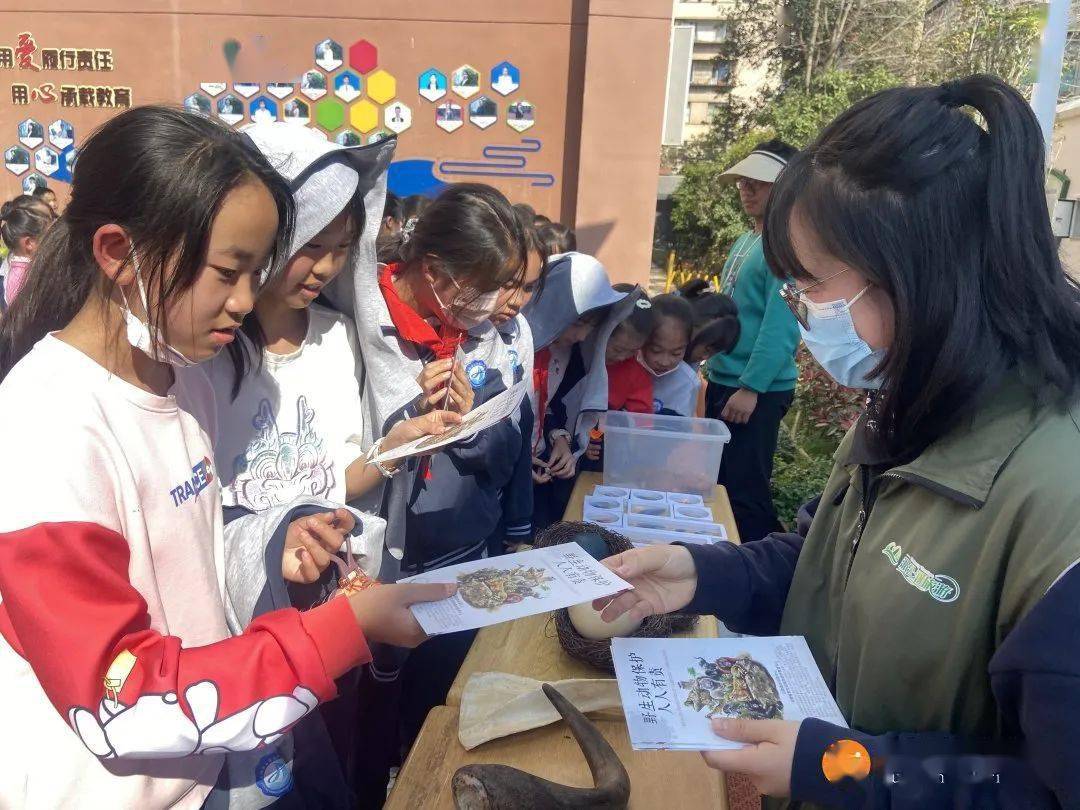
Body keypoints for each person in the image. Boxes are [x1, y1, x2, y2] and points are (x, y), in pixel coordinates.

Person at [595, 75, 1080, 808]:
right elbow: (834, 563)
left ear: (920, 277)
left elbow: (1051, 788)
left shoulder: (1057, 500)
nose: (801, 314)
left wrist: (846, 767)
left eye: (814, 286)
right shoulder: (909, 408)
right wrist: (703, 574)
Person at [0, 106, 455, 809]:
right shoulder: (45, 428)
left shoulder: (181, 378)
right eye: (228, 272)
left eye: (257, 273)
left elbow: (191, 554)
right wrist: (338, 632)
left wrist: (275, 538)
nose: (244, 303)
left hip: (218, 759)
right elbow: (115, 694)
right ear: (118, 252)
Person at [324, 181, 535, 804]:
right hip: (373, 567)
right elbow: (348, 459)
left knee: (433, 716)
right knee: (362, 725)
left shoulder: (483, 340)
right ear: (438, 273)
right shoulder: (358, 324)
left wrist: (469, 429)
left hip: (457, 560)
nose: (500, 304)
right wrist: (409, 424)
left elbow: (504, 454)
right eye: (489, 285)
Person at [705, 139, 800, 541]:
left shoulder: (786, 245)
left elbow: (783, 325)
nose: (746, 189)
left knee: (745, 492)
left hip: (753, 391)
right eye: (743, 181)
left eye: (758, 182)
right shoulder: (746, 240)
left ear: (784, 187)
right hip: (726, 380)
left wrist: (751, 387)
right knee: (719, 485)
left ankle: (762, 580)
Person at [522, 251, 626, 530]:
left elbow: (551, 405)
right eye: (578, 323)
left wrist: (562, 441)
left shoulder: (572, 355)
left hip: (539, 469)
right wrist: (518, 463)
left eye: (590, 327)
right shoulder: (515, 348)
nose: (582, 336)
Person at [639, 293, 705, 417]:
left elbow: (681, 428)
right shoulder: (625, 366)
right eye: (656, 350)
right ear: (642, 340)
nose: (665, 362)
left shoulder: (688, 383)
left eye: (676, 353)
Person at [0, 195, 52, 308]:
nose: (55, 228)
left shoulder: (31, 265)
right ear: (29, 243)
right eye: (50, 223)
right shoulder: (22, 279)